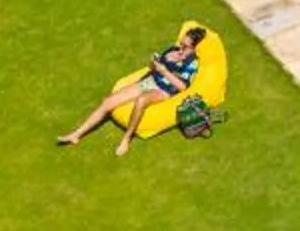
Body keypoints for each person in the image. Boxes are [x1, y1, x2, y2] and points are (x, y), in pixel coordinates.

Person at [59, 25, 206, 158]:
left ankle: (126, 139)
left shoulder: (192, 64)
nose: (180, 48)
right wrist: (155, 63)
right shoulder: (173, 50)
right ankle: (76, 135)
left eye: (185, 46)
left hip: (164, 90)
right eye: (181, 43)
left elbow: (182, 87)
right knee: (108, 101)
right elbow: (153, 67)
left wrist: (165, 70)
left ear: (194, 48)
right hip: (149, 81)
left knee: (141, 100)